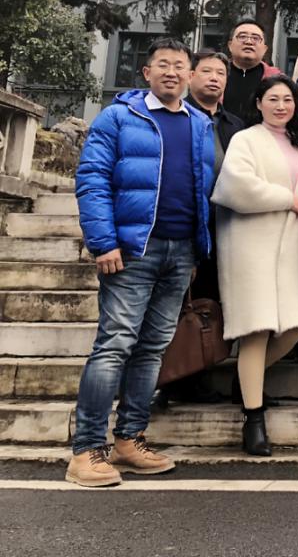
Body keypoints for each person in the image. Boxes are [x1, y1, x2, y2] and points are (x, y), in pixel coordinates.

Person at [69, 38, 215, 487]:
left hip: (180, 251)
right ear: (147, 73)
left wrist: (196, 248)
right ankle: (86, 450)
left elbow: (202, 188)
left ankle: (129, 440)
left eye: (180, 66)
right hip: (132, 249)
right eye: (163, 65)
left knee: (153, 349)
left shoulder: (199, 123)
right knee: (115, 344)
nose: (172, 72)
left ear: (190, 75)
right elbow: (92, 178)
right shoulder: (119, 116)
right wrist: (103, 242)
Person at [211, 75, 298, 456]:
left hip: (293, 246)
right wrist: (286, 199)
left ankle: (244, 381)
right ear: (259, 103)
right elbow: (235, 186)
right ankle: (253, 419)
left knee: (293, 328)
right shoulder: (246, 139)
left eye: (287, 100)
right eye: (272, 99)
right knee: (256, 330)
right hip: (250, 245)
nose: (280, 106)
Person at [155, 49, 243, 407]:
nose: (214, 78)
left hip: (224, 227)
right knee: (174, 307)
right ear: (191, 76)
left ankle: (198, 374)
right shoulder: (178, 116)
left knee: (208, 304)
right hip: (182, 224)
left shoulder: (235, 125)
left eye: (220, 74)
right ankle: (169, 379)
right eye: (206, 71)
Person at [222, 19, 281, 118]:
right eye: (242, 37)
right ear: (230, 45)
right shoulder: (216, 74)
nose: (249, 42)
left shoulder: (277, 79)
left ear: (265, 49)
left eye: (255, 38)